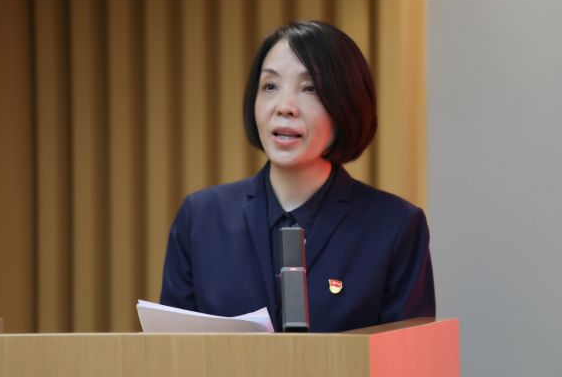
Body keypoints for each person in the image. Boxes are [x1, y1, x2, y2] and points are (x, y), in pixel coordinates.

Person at [160, 21, 435, 332]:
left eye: (309, 88)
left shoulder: (395, 227)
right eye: (270, 86)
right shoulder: (201, 219)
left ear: (348, 104)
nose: (285, 107)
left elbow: (409, 354)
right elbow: (171, 349)